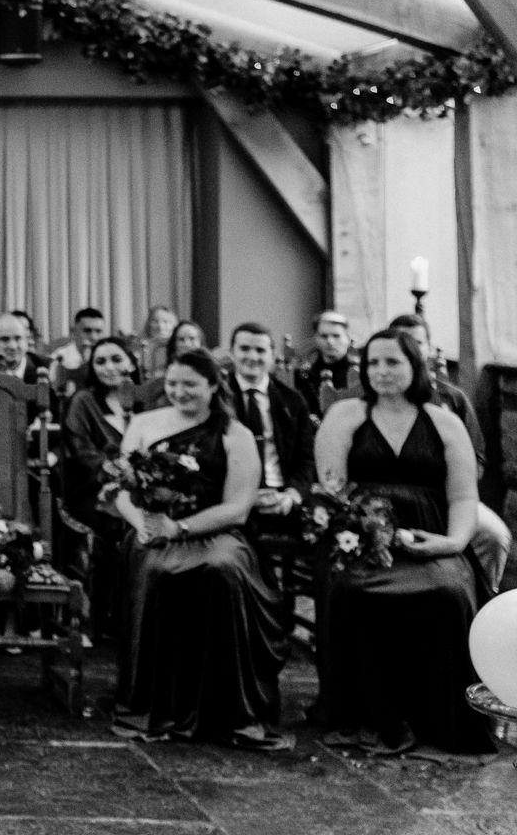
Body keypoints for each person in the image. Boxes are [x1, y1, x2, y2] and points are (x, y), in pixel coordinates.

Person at [316, 329, 495, 756]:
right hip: (358, 536)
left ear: (415, 366)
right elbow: (331, 490)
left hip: (431, 533)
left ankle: (438, 716)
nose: (381, 371)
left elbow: (464, 495)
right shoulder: (345, 415)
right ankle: (366, 713)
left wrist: (452, 543)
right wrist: (364, 531)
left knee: (450, 591)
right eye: (373, 363)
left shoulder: (445, 422)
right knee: (352, 591)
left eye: (392, 362)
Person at [112, 349, 289, 751]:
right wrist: (143, 524)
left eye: (189, 384)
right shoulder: (143, 423)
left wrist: (181, 527)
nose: (179, 392)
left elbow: (238, 508)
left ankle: (224, 708)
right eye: (172, 383)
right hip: (152, 531)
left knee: (222, 570)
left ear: (212, 386)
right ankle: (159, 704)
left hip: (215, 532)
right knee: (156, 572)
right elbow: (122, 492)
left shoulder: (236, 435)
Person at [386, 314, 509, 585]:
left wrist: (449, 487)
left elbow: (476, 460)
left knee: (495, 536)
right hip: (385, 496)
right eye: (402, 345)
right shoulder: (377, 397)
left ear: (429, 348)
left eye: (418, 343)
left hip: (449, 495)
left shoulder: (452, 399)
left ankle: (479, 602)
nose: (412, 351)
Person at [60, 336, 140, 638]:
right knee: (117, 524)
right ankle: (110, 615)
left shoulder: (143, 400)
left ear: (131, 362)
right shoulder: (84, 401)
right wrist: (111, 470)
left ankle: (140, 612)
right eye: (100, 361)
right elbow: (79, 450)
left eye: (116, 359)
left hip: (138, 490)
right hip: (92, 490)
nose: (109, 367)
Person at [218, 323, 315, 541]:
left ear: (273, 356)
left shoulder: (293, 401)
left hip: (282, 495)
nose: (252, 356)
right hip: (232, 497)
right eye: (244, 349)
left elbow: (306, 459)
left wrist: (292, 495)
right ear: (231, 354)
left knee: (325, 528)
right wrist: (246, 497)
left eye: (261, 350)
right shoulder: (218, 400)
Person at [48, 307, 109, 397]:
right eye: (87, 331)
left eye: (98, 331)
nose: (94, 337)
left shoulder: (110, 355)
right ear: (73, 331)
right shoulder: (60, 357)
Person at [302, 311, 355, 397]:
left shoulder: (358, 373)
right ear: (316, 338)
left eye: (336, 336)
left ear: (348, 338)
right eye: (324, 336)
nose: (330, 341)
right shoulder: (306, 374)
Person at [0, 311, 45, 384]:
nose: (12, 346)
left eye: (18, 338)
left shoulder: (46, 369)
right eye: (5, 339)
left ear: (27, 340)